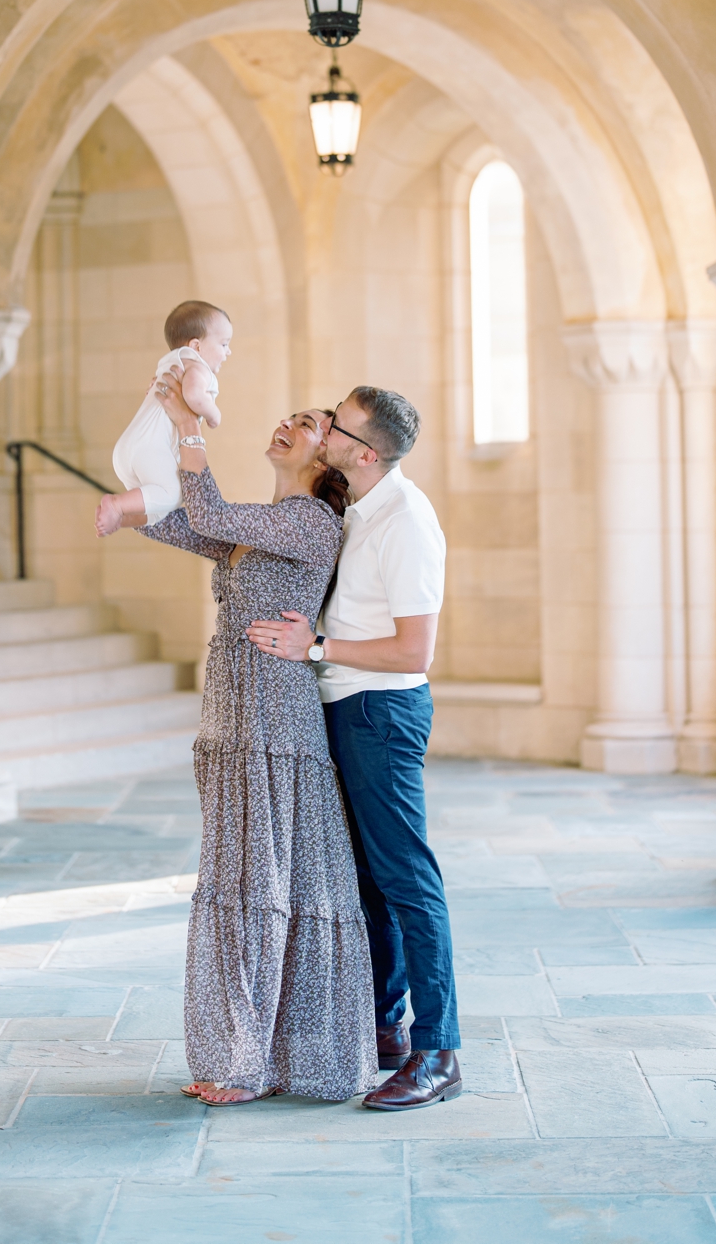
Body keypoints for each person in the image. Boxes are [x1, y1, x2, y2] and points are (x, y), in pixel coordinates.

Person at [114, 379, 378, 1107]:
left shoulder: (314, 524)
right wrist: (135, 481)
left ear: (330, 457)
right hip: (233, 715)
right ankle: (245, 1052)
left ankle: (247, 1059)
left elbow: (209, 511)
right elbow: (183, 521)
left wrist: (188, 424)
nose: (288, 423)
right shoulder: (264, 521)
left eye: (309, 424)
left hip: (274, 719)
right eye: (290, 414)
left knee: (261, 881)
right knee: (241, 879)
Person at [247, 386, 461, 1111]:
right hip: (345, 706)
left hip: (382, 711)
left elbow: (414, 646)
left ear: (365, 451)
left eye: (335, 422)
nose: (324, 424)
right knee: (368, 883)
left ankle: (439, 1051)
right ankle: (385, 1029)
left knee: (407, 880)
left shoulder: (405, 521)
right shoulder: (356, 509)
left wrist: (315, 645)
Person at [96, 300, 232, 536]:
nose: (228, 352)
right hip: (149, 449)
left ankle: (121, 518)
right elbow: (192, 395)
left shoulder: (169, 365)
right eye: (223, 344)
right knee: (172, 494)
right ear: (197, 346)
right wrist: (214, 414)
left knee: (159, 506)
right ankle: (116, 505)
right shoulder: (198, 368)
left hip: (128, 449)